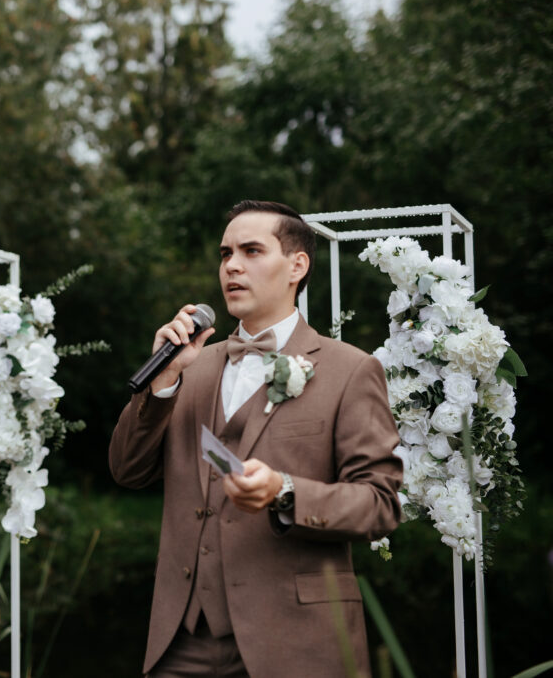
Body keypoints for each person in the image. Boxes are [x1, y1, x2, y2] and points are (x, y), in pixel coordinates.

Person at [109, 201, 403, 677]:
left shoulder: (350, 370)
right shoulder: (188, 366)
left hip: (294, 642)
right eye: (225, 254)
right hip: (182, 640)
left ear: (297, 266)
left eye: (251, 251)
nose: (232, 266)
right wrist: (162, 384)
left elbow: (380, 504)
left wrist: (285, 492)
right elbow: (127, 470)